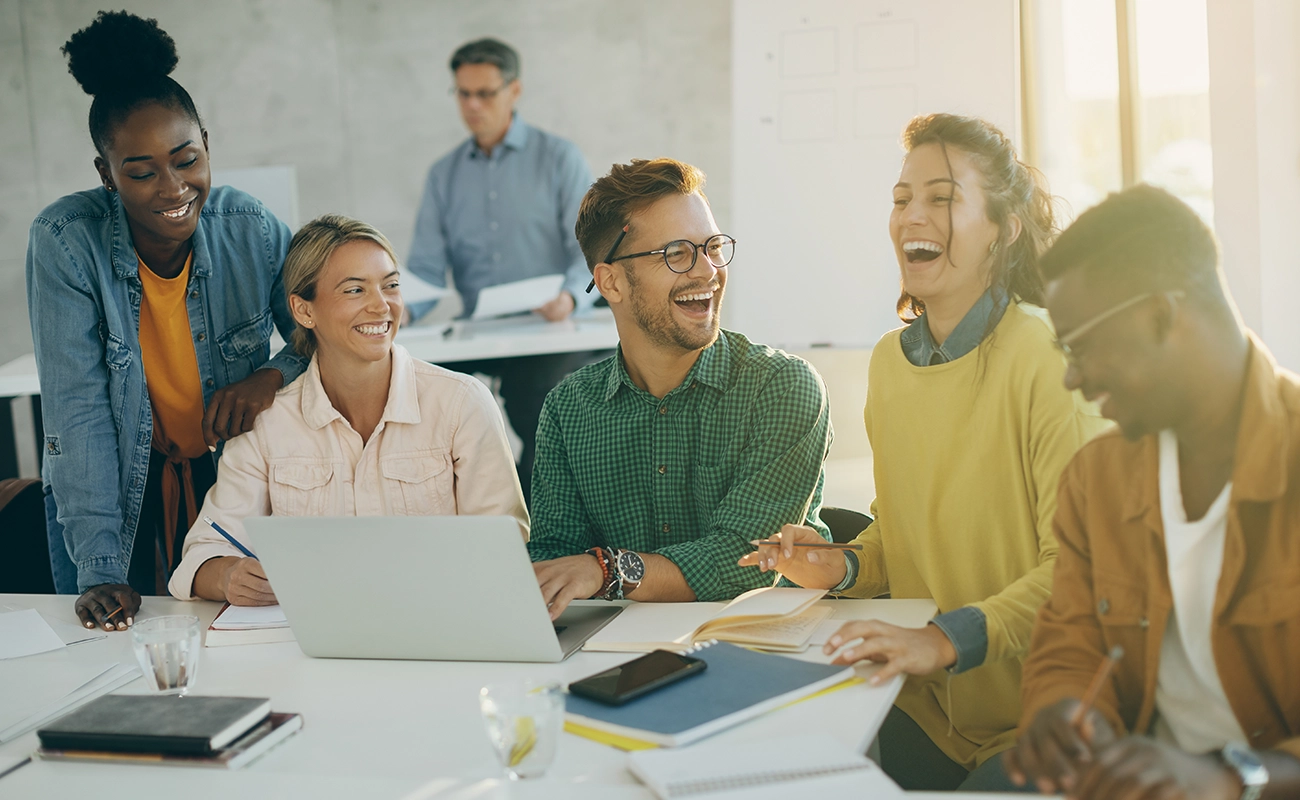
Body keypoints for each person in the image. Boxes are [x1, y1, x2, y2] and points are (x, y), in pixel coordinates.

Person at [738, 114, 1107, 790]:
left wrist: (941, 640)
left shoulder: (1048, 356)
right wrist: (840, 566)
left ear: (1005, 226)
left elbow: (1083, 570)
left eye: (942, 197)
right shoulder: (890, 363)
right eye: (903, 197)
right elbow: (903, 532)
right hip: (923, 702)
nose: (914, 214)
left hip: (1045, 720)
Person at [1004, 185, 1300, 799]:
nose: (1072, 375)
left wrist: (1230, 778)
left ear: (1163, 314)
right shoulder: (1096, 481)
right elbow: (1069, 644)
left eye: (1080, 346)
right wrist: (1059, 711)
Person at [27, 11, 307, 630]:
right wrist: (101, 568)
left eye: (186, 158)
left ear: (208, 142)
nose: (173, 187)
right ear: (106, 175)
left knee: (249, 646)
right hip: (113, 487)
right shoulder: (66, 242)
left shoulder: (250, 228)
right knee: (117, 662)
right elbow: (78, 412)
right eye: (142, 171)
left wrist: (269, 375)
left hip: (230, 481)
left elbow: (317, 333)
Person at [527, 157, 834, 618]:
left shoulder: (783, 387)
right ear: (610, 281)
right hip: (616, 661)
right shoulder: (568, 410)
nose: (707, 271)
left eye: (712, 247)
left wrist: (610, 570)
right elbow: (555, 562)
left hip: (760, 648)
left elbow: (747, 561)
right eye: (676, 254)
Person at [169, 216, 528, 604]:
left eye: (391, 285)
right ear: (304, 312)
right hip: (312, 648)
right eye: (355, 290)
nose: (382, 305)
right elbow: (203, 554)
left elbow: (503, 549)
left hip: (440, 629)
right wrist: (228, 576)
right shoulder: (267, 425)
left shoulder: (462, 403)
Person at [407, 37, 604, 500]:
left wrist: (572, 297)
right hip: (479, 331)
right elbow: (426, 269)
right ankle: (462, 511)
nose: (472, 105)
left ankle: (538, 518)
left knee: (542, 398)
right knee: (416, 389)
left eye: (485, 93)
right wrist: (400, 311)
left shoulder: (559, 159)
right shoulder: (444, 174)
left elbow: (589, 250)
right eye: (463, 93)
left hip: (550, 328)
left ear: (514, 91)